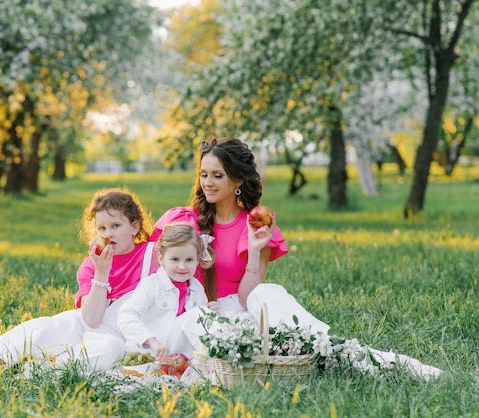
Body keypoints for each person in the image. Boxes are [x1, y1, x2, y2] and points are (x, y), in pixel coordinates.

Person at [151, 137, 442, 379]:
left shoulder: (255, 225)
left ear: (238, 179)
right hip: (189, 321)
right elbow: (153, 279)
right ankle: (333, 352)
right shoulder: (183, 221)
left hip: (237, 318)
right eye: (204, 174)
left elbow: (248, 298)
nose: (208, 183)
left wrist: (254, 250)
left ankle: (352, 353)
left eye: (218, 176)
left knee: (269, 293)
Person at [0, 188, 158, 375]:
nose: (108, 234)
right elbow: (91, 320)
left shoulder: (152, 256)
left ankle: (38, 369)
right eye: (102, 228)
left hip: (118, 336)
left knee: (109, 350)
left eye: (115, 225)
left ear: (134, 227)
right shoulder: (91, 265)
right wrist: (101, 273)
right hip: (85, 323)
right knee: (40, 329)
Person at [117, 222, 218, 363]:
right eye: (175, 259)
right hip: (153, 352)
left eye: (189, 260)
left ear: (197, 261)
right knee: (198, 314)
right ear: (161, 258)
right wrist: (151, 341)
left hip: (180, 354)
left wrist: (209, 312)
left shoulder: (197, 288)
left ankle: (217, 360)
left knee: (204, 315)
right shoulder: (152, 285)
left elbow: (199, 327)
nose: (182, 266)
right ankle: (215, 361)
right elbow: (126, 316)